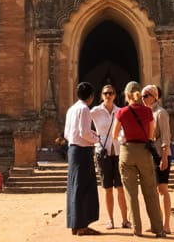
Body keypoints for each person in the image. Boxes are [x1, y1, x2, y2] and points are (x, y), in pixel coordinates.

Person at [113, 81, 165, 238]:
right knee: (150, 191)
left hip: (127, 152)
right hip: (144, 151)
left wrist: (124, 138)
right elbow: (151, 135)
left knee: (131, 193)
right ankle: (158, 229)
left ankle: (137, 229)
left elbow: (115, 135)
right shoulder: (147, 111)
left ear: (127, 95)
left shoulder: (122, 112)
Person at [89, 84, 130, 230]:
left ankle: (125, 220)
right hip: (103, 153)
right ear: (102, 95)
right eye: (106, 93)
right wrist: (96, 140)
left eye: (111, 93)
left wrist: (122, 137)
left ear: (115, 95)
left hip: (118, 152)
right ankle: (111, 220)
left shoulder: (120, 111)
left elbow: (124, 129)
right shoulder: (95, 111)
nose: (108, 95)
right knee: (107, 188)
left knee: (120, 187)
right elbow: (85, 127)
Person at [64, 82, 101, 236]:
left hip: (73, 150)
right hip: (82, 152)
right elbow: (84, 133)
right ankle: (82, 226)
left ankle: (75, 224)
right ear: (91, 96)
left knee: (74, 187)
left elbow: (67, 134)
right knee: (84, 187)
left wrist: (88, 136)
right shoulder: (84, 109)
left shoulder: (71, 109)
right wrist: (97, 139)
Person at [142, 85, 173, 226]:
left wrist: (165, 157)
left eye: (146, 96)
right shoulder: (147, 113)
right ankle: (158, 223)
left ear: (154, 97)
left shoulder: (161, 113)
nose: (143, 99)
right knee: (154, 190)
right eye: (142, 96)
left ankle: (166, 224)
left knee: (163, 189)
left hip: (161, 155)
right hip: (151, 155)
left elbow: (166, 137)